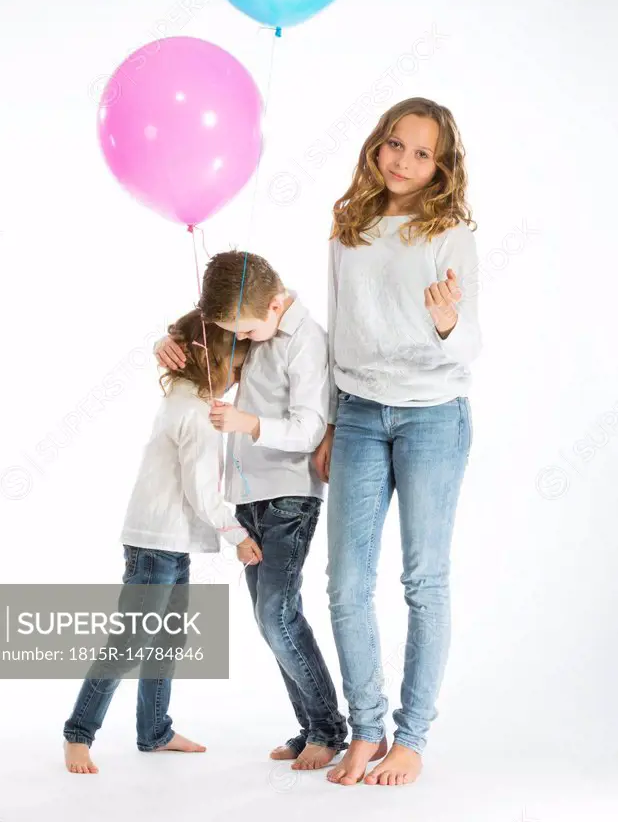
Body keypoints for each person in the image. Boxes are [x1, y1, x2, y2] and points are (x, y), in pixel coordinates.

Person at [314, 96, 481, 787]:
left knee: (423, 579)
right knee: (347, 583)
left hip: (432, 416)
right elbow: (335, 326)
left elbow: (470, 342)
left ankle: (410, 738)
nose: (404, 162)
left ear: (439, 166)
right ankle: (367, 728)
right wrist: (326, 421)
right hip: (356, 413)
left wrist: (446, 323)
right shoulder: (348, 225)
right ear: (377, 145)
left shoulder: (450, 232)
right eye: (395, 145)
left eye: (421, 153)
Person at [155, 252, 349, 770]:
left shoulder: (305, 341)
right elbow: (198, 338)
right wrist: (166, 343)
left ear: (276, 305)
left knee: (277, 613)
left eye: (241, 329)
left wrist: (248, 423)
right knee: (272, 621)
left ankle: (330, 730)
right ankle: (311, 725)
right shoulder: (252, 328)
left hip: (289, 493)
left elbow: (310, 426)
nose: (237, 338)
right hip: (249, 496)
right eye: (230, 330)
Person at [63, 310, 261, 774]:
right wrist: (239, 536)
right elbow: (201, 491)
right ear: (212, 364)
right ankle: (78, 733)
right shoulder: (196, 413)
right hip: (155, 545)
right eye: (234, 372)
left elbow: (195, 327)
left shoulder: (185, 395)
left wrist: (173, 338)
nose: (235, 384)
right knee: (129, 643)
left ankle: (154, 731)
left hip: (167, 543)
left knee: (166, 641)